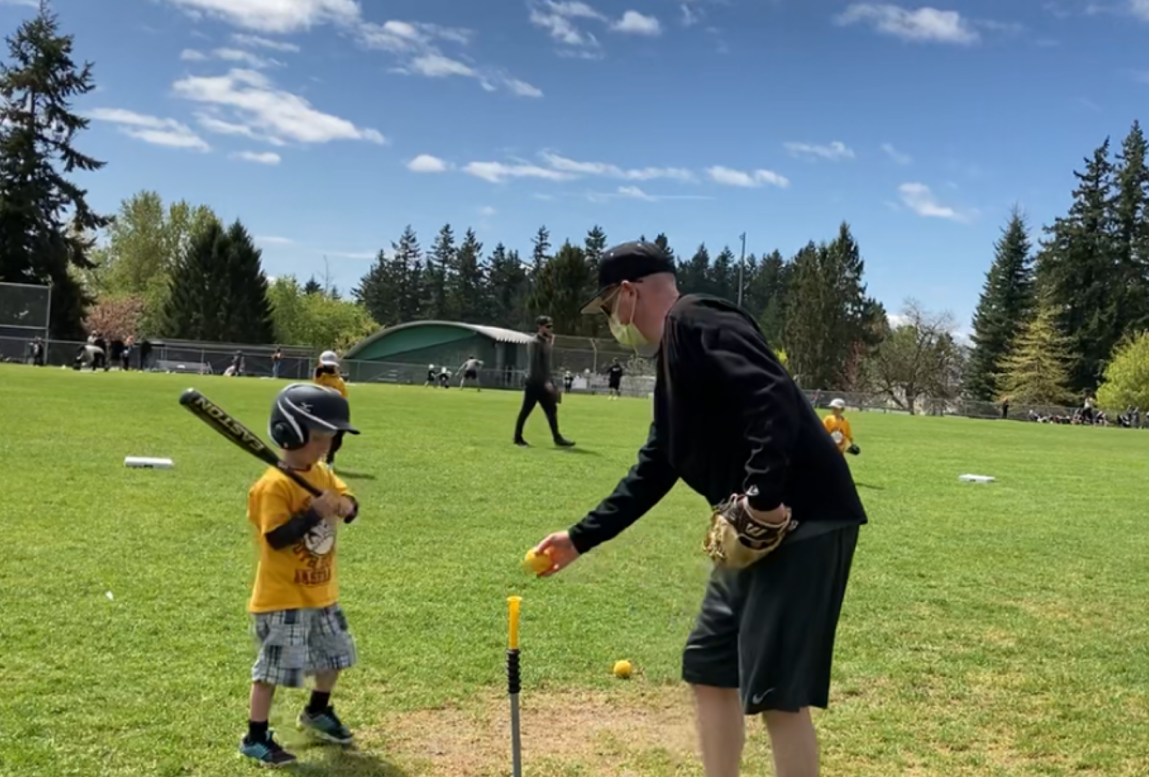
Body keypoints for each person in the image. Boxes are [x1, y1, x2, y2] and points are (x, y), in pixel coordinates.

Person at [529, 241, 867, 777]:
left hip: (802, 520)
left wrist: (762, 498)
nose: (612, 322)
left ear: (628, 293)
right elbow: (656, 466)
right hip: (751, 533)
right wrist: (580, 538)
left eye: (608, 308)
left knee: (779, 693)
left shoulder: (696, 319)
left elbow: (769, 394)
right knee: (710, 664)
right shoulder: (671, 363)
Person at [239, 383, 361, 767]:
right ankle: (255, 736)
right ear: (292, 432)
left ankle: (316, 712)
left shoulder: (322, 474)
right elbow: (275, 538)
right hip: (282, 600)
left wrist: (343, 504)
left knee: (336, 657)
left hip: (322, 594)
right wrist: (314, 513)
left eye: (331, 437)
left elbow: (350, 504)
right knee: (272, 671)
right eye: (321, 437)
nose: (327, 445)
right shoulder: (271, 486)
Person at [513, 315, 575, 448]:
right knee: (526, 410)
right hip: (535, 383)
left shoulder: (544, 342)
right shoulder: (534, 343)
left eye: (551, 326)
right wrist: (545, 382)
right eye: (547, 326)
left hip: (544, 382)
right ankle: (517, 438)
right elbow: (535, 365)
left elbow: (546, 364)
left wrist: (549, 381)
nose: (550, 329)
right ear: (540, 327)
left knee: (552, 409)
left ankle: (557, 438)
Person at [313, 350, 349, 467]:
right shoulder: (320, 376)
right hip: (320, 411)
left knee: (336, 437)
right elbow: (317, 376)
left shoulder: (339, 381)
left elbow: (344, 398)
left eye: (330, 365)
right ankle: (318, 461)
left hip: (334, 411)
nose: (328, 367)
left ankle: (330, 459)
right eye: (326, 365)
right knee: (319, 437)